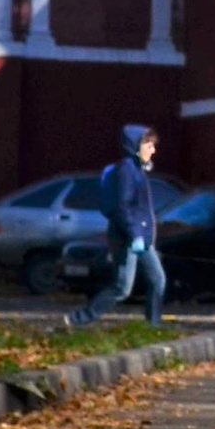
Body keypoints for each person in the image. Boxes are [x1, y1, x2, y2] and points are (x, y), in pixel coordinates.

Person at [77, 123, 168, 329]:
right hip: (127, 237)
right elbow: (122, 208)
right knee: (121, 288)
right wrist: (135, 235)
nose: (153, 150)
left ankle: (153, 326)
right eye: (149, 145)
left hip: (140, 238)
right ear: (135, 146)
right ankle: (78, 319)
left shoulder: (137, 170)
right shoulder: (126, 171)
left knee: (157, 280)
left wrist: (144, 236)